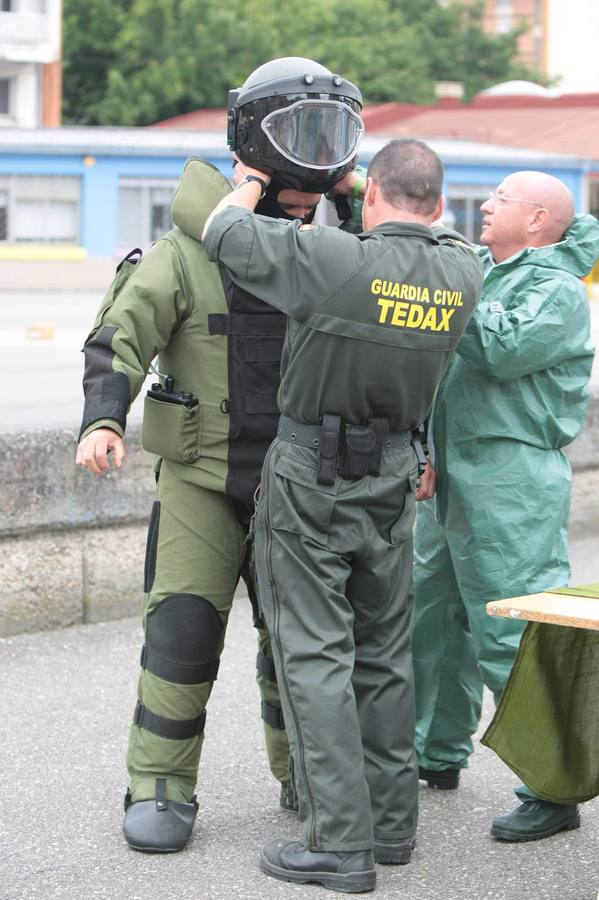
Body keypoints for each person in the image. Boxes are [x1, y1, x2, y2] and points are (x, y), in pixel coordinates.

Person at [75, 56, 364, 853]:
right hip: (203, 481)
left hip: (301, 482)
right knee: (181, 632)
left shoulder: (339, 248)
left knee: (300, 641)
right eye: (298, 134)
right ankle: (161, 784)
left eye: (331, 135)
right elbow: (118, 339)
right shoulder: (182, 253)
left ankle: (308, 775)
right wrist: (103, 419)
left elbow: (393, 344)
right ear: (251, 144)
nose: (316, 155)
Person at [202, 138, 482, 893]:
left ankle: (338, 844)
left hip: (313, 476)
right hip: (395, 474)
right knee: (383, 653)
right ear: (435, 201)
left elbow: (221, 231)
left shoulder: (329, 258)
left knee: (314, 653)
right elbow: (441, 229)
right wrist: (376, 186)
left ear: (374, 193)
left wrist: (251, 181)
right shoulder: (462, 270)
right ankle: (392, 829)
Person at [411, 170, 599, 841]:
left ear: (539, 217)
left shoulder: (553, 290)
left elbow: (496, 348)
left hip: (508, 482)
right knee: (428, 618)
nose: (484, 207)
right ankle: (433, 752)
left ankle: (551, 789)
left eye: (499, 200)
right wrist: (423, 451)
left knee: (510, 634)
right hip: (451, 474)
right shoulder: (489, 273)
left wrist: (447, 283)